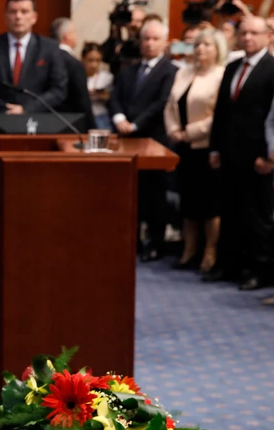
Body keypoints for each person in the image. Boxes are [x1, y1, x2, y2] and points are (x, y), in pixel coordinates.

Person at [205, 16, 274, 291]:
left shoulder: (272, 69)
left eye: (254, 33)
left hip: (258, 157)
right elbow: (221, 113)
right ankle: (228, 265)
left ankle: (259, 270)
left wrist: (269, 156)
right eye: (243, 33)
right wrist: (214, 148)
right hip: (229, 153)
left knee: (256, 215)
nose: (247, 38)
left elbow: (271, 118)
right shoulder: (233, 66)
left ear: (268, 35)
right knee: (229, 211)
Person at [109, 20, 178, 261]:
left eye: (155, 39)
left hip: (154, 140)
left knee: (155, 194)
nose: (149, 43)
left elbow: (161, 103)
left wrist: (135, 123)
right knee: (131, 193)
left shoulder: (171, 71)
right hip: (125, 140)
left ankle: (155, 242)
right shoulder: (128, 70)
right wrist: (119, 118)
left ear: (164, 42)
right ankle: (132, 240)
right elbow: (115, 98)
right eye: (146, 39)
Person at [163, 28, 226, 274]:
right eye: (198, 44)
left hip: (207, 147)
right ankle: (189, 249)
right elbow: (170, 105)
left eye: (207, 45)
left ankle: (210, 251)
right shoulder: (184, 72)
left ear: (217, 49)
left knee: (210, 203)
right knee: (188, 201)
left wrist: (189, 132)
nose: (201, 49)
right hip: (183, 148)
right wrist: (174, 131)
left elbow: (219, 116)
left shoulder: (221, 75)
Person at [0, 0, 67, 116]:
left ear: (34, 17)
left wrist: (26, 109)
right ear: (5, 16)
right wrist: (4, 108)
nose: (18, 17)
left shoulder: (50, 48)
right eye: (13, 12)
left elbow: (58, 90)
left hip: (36, 123)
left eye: (24, 12)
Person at [51, 17, 94, 130]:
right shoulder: (74, 63)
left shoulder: (45, 60)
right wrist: (91, 127)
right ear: (67, 36)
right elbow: (82, 100)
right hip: (72, 125)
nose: (76, 37)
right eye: (74, 32)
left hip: (46, 123)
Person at [82, 42, 114, 130]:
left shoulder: (107, 77)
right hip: (83, 117)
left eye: (97, 60)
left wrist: (103, 95)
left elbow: (112, 98)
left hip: (101, 116)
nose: (94, 65)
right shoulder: (78, 77)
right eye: (90, 60)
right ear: (83, 59)